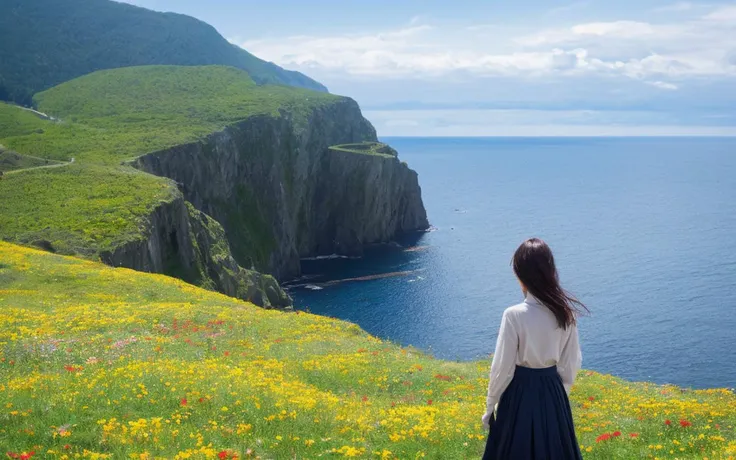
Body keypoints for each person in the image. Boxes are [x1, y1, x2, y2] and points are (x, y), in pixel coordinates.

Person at [481, 238, 587, 460]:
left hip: (518, 394)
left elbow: (502, 368)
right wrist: (557, 397)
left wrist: (491, 405)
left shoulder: (514, 315)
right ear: (550, 271)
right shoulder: (566, 313)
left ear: (520, 274)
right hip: (553, 393)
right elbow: (571, 363)